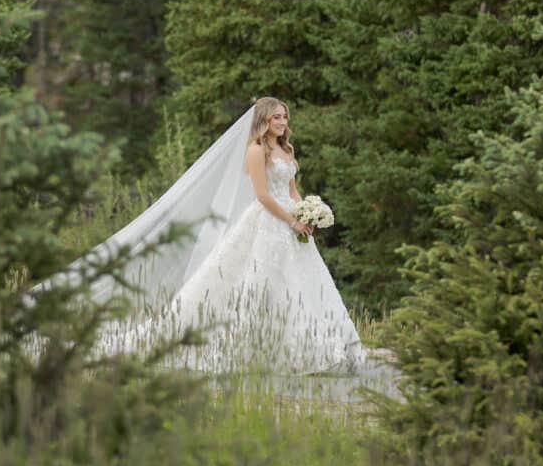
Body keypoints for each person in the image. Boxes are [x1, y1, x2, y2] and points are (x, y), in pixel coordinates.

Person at [89, 97, 365, 373]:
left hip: (294, 223)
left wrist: (306, 213)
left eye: (284, 117)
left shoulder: (287, 150)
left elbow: (292, 191)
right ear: (264, 121)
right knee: (261, 282)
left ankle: (318, 348)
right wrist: (292, 221)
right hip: (270, 222)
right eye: (276, 117)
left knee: (303, 281)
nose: (282, 122)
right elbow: (263, 196)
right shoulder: (256, 151)